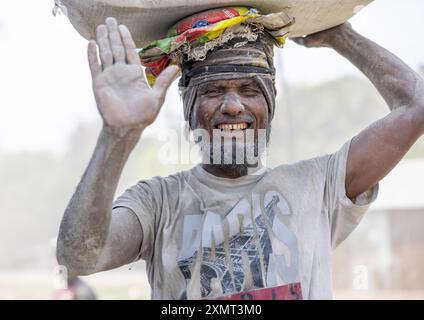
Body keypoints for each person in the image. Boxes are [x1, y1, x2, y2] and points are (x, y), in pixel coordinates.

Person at [56, 7, 424, 299]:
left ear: (271, 101)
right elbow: (79, 256)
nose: (233, 106)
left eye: (250, 89)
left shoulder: (320, 186)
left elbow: (416, 106)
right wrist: (118, 135)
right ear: (189, 107)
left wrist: (338, 34)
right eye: (214, 90)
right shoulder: (158, 203)